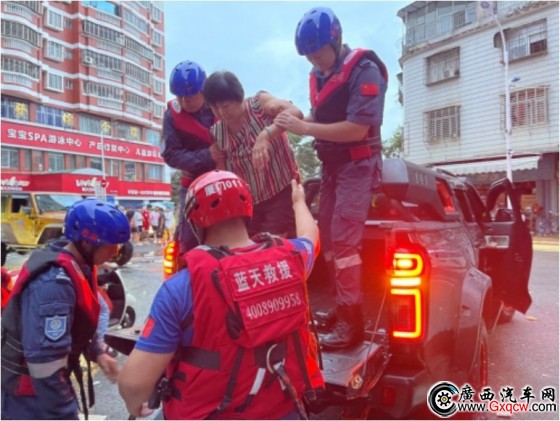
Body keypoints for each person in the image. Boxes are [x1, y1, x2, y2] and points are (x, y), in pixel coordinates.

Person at [118, 170, 324, 419]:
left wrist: (135, 406)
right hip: (282, 412)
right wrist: (299, 202)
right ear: (248, 212)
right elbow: (311, 237)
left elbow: (133, 384)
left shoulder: (181, 288)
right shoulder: (291, 260)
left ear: (196, 223)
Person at [274, 6, 388, 349]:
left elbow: (357, 129)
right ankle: (341, 307)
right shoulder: (321, 75)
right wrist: (291, 122)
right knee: (326, 239)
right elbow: (318, 118)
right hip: (332, 168)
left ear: (336, 41)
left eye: (319, 53)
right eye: (308, 56)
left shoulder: (364, 69)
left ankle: (353, 323)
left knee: (345, 244)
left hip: (358, 166)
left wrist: (304, 127)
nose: (314, 60)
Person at [1, 199, 130, 420]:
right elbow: (45, 364)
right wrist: (65, 413)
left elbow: (75, 324)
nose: (116, 252)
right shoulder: (54, 286)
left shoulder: (79, 266)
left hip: (43, 390)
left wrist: (97, 351)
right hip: (30, 397)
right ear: (88, 243)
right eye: (111, 245)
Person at [202, 70, 302, 238]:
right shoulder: (217, 133)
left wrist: (266, 135)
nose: (221, 113)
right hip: (250, 203)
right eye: (215, 108)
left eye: (225, 106)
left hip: (283, 192)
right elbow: (223, 173)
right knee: (249, 246)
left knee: (273, 243)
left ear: (238, 97)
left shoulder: (259, 105)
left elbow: (295, 112)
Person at [161, 60, 225, 253]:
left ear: (203, 91)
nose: (184, 101)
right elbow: (170, 154)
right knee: (188, 239)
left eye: (189, 96)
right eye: (179, 96)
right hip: (192, 184)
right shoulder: (171, 116)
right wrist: (207, 155)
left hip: (226, 180)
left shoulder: (221, 105)